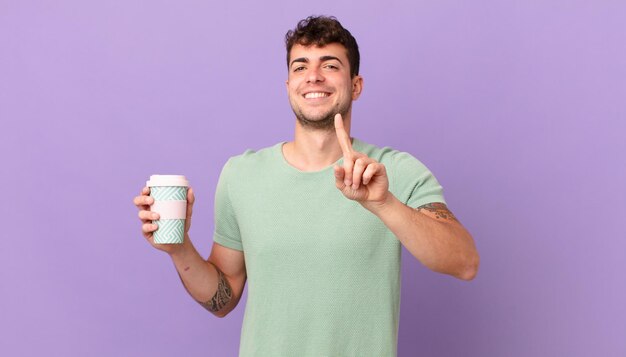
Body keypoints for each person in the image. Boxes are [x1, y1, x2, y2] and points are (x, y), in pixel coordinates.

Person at [133, 15, 479, 357]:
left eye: (329, 65)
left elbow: (464, 262)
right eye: (300, 67)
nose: (313, 76)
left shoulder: (395, 172)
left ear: (355, 85)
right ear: (288, 87)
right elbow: (223, 299)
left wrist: (385, 203)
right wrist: (179, 249)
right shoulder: (241, 175)